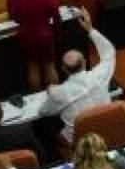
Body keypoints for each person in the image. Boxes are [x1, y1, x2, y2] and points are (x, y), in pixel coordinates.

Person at [40, 9, 117, 143]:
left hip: (81, 143)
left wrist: (52, 92)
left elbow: (43, 112)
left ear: (64, 69)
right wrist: (90, 29)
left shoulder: (58, 93)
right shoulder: (100, 74)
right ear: (85, 63)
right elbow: (109, 52)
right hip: (107, 133)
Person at [7, 0, 61, 91]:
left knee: (33, 68)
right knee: (49, 67)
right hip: (45, 37)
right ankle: (55, 95)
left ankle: (36, 98)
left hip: (27, 38)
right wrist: (56, 33)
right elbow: (57, 18)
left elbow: (15, 18)